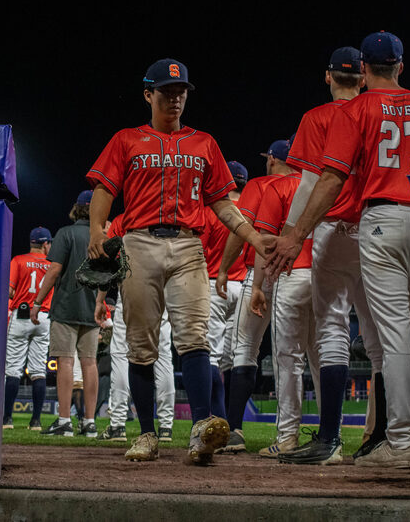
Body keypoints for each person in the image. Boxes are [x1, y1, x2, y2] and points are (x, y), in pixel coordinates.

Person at [266, 31, 410, 468]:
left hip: (376, 221)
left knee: (388, 335)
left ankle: (398, 439)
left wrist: (296, 232)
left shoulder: (355, 109)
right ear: (401, 66)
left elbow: (327, 178)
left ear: (365, 68)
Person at [86, 58, 273, 464]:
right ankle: (148, 434)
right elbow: (104, 186)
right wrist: (97, 230)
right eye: (167, 92)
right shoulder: (126, 139)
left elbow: (222, 203)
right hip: (138, 242)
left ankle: (202, 431)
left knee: (195, 338)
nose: (175, 99)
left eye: (181, 92)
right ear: (148, 94)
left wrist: (255, 237)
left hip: (189, 247)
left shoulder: (204, 143)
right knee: (141, 345)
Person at [274, 46, 385, 465]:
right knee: (382, 339)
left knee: (333, 329)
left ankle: (330, 439)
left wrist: (291, 234)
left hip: (333, 230)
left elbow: (308, 184)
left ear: (327, 77)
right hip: (378, 226)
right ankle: (387, 438)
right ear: (362, 76)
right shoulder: (379, 111)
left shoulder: (318, 118)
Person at [216, 139, 300, 457]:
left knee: (245, 348)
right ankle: (308, 435)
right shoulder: (310, 186)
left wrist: (225, 268)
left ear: (273, 160)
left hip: (264, 273)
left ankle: (234, 429)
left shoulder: (262, 184)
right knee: (300, 355)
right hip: (303, 273)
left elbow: (245, 230)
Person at [248, 162, 320, 458]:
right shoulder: (327, 184)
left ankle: (288, 436)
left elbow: (263, 242)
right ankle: (332, 436)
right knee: (324, 358)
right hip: (326, 275)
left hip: (291, 276)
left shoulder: (279, 187)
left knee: (288, 359)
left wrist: (257, 286)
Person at [99, 214, 176, 443]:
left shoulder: (123, 220)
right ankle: (166, 427)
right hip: (163, 295)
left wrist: (99, 300)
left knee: (123, 357)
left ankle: (118, 425)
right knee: (163, 357)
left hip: (131, 294)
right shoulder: (168, 218)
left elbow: (108, 265)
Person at [32, 191, 100, 438]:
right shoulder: (100, 235)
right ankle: (90, 422)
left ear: (76, 208)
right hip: (93, 306)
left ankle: (64, 421)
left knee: (65, 361)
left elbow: (54, 270)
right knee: (90, 363)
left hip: (66, 306)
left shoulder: (66, 233)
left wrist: (38, 301)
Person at [200, 160, 248, 420]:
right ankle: (233, 422)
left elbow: (200, 252)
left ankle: (216, 418)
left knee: (210, 356)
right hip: (246, 286)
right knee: (236, 357)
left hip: (215, 283)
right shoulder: (253, 208)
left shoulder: (214, 210)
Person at [3, 226, 53, 431]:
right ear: (44, 244)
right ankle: (36, 421)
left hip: (21, 316)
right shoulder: (52, 264)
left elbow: (9, 290)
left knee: (13, 369)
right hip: (43, 317)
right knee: (39, 371)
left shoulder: (18, 260)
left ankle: (7, 419)